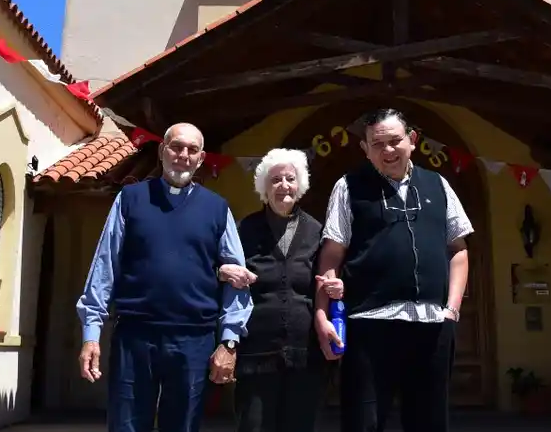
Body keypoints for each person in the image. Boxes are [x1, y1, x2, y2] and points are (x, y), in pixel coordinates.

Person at [76, 122, 253, 432]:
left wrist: (229, 341)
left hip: (193, 340)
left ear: (201, 159)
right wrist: (91, 334)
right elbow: (104, 267)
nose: (183, 155)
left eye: (192, 150)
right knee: (126, 426)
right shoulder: (130, 199)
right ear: (162, 151)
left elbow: (237, 279)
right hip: (135, 336)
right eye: (176, 147)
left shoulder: (217, 209)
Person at [313, 108, 472, 432]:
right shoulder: (348, 186)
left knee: (429, 424)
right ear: (365, 149)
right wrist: (323, 315)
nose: (387, 150)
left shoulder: (438, 185)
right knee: (364, 423)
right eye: (377, 144)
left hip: (432, 324)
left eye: (395, 141)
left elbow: (458, 250)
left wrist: (452, 311)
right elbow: (331, 255)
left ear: (412, 140)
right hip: (370, 326)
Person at [217, 149, 346, 432]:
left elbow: (330, 276)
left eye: (290, 178)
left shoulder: (317, 231)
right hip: (256, 354)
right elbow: (222, 274)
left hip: (305, 354)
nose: (283, 185)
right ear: (264, 187)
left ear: (300, 185)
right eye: (275, 180)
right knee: (253, 426)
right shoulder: (244, 229)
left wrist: (338, 286)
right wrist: (222, 272)